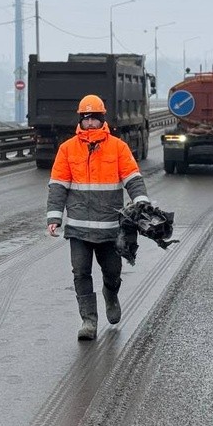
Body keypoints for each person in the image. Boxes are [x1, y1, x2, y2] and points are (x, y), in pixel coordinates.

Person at [46, 94, 151, 340]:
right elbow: (58, 185)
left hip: (110, 227)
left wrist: (141, 200)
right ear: (80, 120)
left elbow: (132, 178)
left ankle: (111, 295)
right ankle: (88, 321)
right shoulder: (67, 149)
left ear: (102, 119)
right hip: (79, 228)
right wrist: (54, 217)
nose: (90, 123)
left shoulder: (118, 147)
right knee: (80, 272)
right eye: (86, 118)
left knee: (112, 272)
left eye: (94, 118)